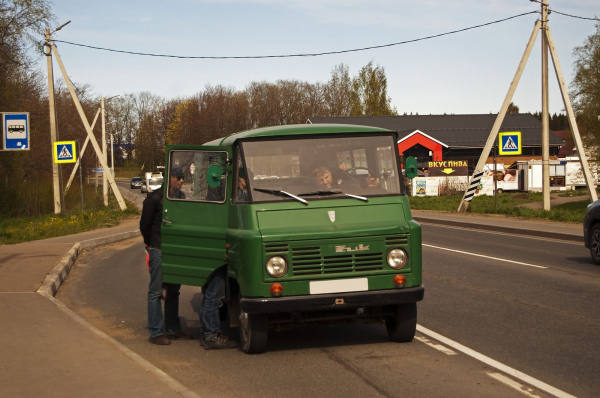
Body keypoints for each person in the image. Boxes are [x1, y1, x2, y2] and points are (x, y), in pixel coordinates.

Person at [140, 166, 190, 345]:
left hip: (175, 250)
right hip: (159, 249)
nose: (181, 181)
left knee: (174, 291)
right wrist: (153, 244)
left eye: (182, 177)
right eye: (178, 177)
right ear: (169, 178)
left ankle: (173, 329)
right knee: (156, 291)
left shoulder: (181, 198)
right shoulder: (153, 199)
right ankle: (156, 332)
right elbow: (145, 225)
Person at [198, 266, 237, 350]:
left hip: (210, 264)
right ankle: (211, 336)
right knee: (213, 298)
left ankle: (205, 335)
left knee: (209, 297)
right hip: (217, 265)